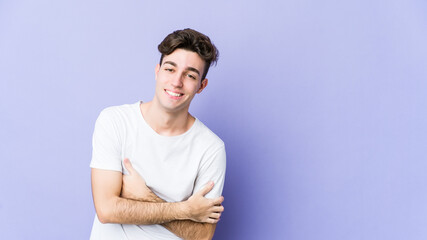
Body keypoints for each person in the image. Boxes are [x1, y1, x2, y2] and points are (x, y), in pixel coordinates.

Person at [89, 28, 226, 240]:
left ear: (201, 86)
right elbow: (107, 210)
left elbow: (202, 236)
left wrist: (144, 197)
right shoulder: (115, 121)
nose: (176, 82)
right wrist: (186, 210)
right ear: (157, 71)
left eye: (190, 75)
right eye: (170, 69)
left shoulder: (211, 149)